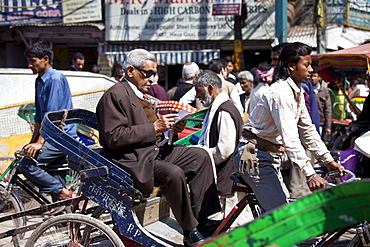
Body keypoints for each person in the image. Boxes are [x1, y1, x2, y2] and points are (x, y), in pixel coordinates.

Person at [96, 49, 221, 247]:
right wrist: (154, 127)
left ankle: (204, 219)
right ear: (130, 71)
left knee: (200, 155)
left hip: (154, 152)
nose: (153, 79)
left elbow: (155, 132)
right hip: (133, 160)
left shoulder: (141, 95)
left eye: (155, 73)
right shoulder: (115, 95)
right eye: (148, 73)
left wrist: (171, 130)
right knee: (173, 173)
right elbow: (113, 137)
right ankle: (190, 230)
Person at [236, 42, 343, 212]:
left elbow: (308, 130)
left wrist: (328, 160)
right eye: (306, 65)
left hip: (269, 156)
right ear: (292, 66)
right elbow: (290, 137)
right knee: (283, 218)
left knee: (286, 208)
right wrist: (310, 173)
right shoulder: (281, 92)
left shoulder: (297, 92)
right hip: (254, 156)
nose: (311, 70)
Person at [194, 70, 252, 234]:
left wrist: (199, 154)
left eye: (199, 91)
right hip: (226, 178)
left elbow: (224, 151)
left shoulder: (224, 111)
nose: (197, 96)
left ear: (210, 88)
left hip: (228, 180)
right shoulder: (220, 108)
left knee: (233, 229)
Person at [20, 41, 76, 204]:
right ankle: (62, 210)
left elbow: (51, 116)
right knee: (53, 171)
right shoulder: (39, 80)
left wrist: (39, 143)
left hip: (61, 137)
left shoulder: (55, 79)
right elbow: (39, 117)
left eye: (33, 61)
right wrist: (31, 143)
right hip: (51, 137)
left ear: (45, 59)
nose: (30, 65)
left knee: (27, 166)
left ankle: (63, 192)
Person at [311, 66, 332, 139]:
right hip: (308, 122)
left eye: (314, 76)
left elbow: (328, 110)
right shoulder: (307, 90)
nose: (312, 78)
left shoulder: (325, 91)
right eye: (311, 76)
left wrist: (328, 126)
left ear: (319, 77)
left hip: (320, 123)